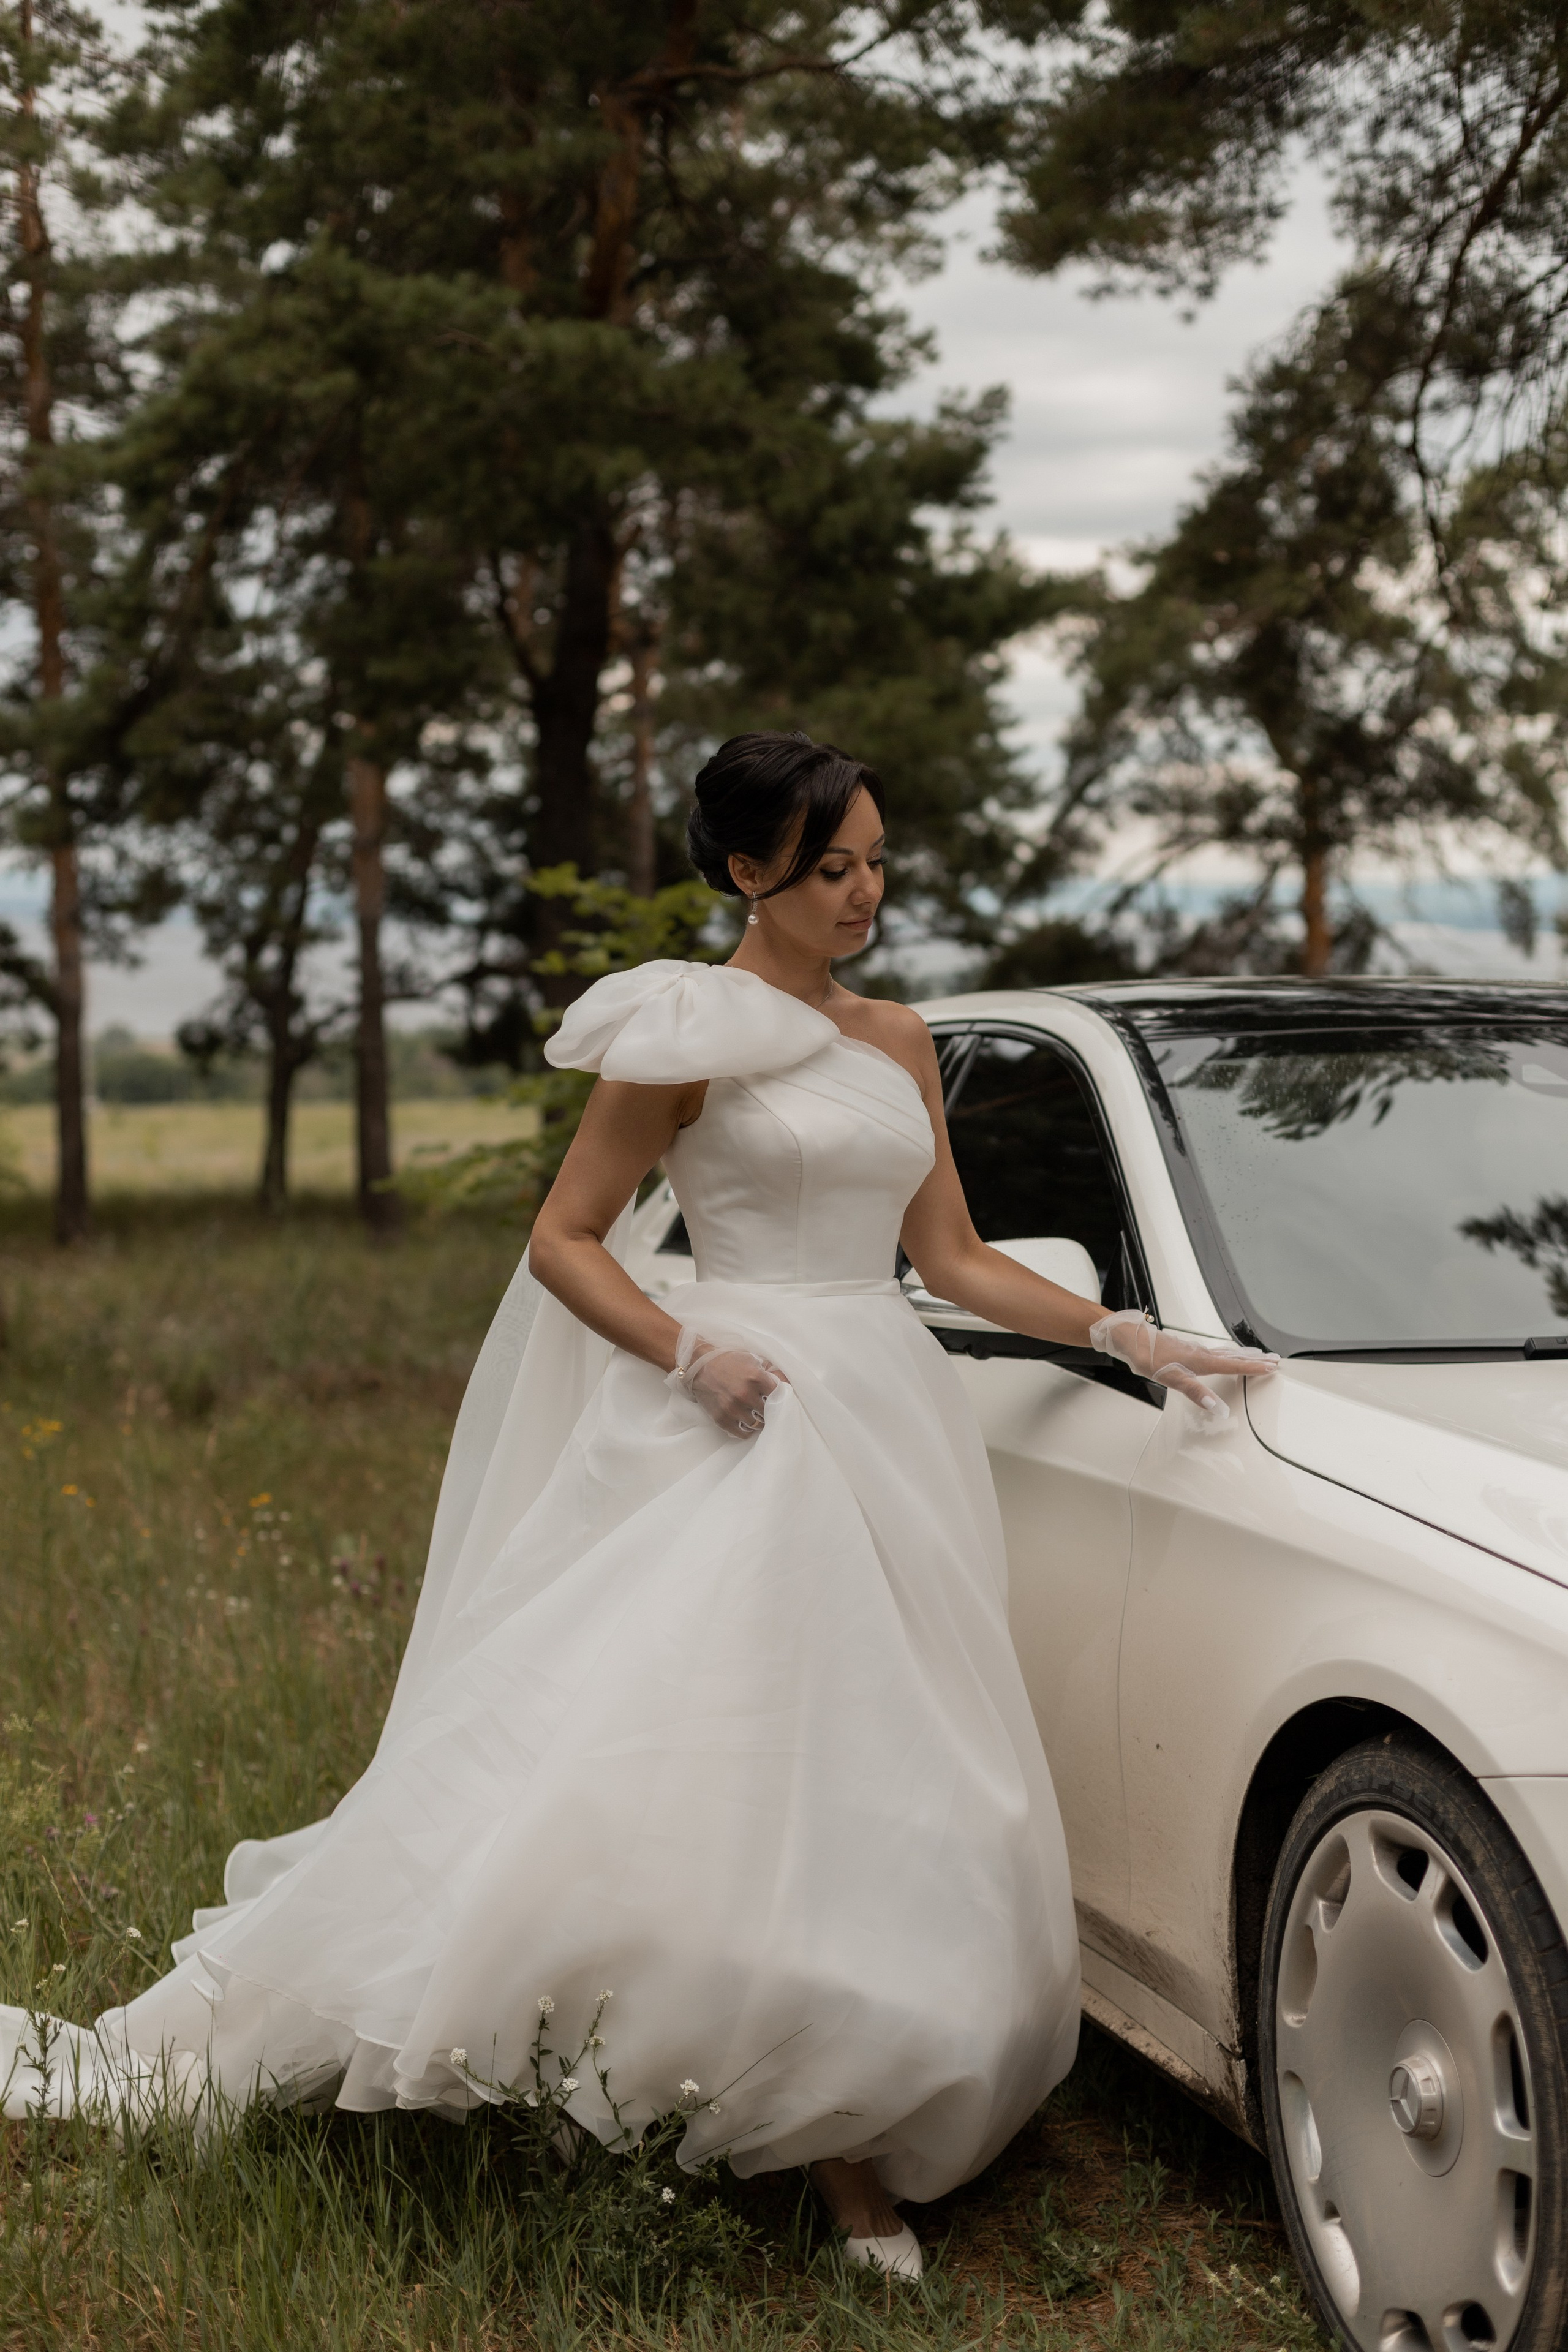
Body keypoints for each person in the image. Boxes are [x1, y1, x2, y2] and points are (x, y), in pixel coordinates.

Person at [1, 732, 1275, 2279]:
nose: (864, 891)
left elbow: (946, 1258)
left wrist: (1124, 1335)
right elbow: (565, 1237)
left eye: (876, 861)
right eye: (830, 866)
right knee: (724, 1762)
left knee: (894, 1765)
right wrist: (687, 1352)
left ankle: (848, 2094)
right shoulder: (679, 1032)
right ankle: (810, 2144)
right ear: (747, 871)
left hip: (888, 1413)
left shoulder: (895, 1039)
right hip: (741, 1412)